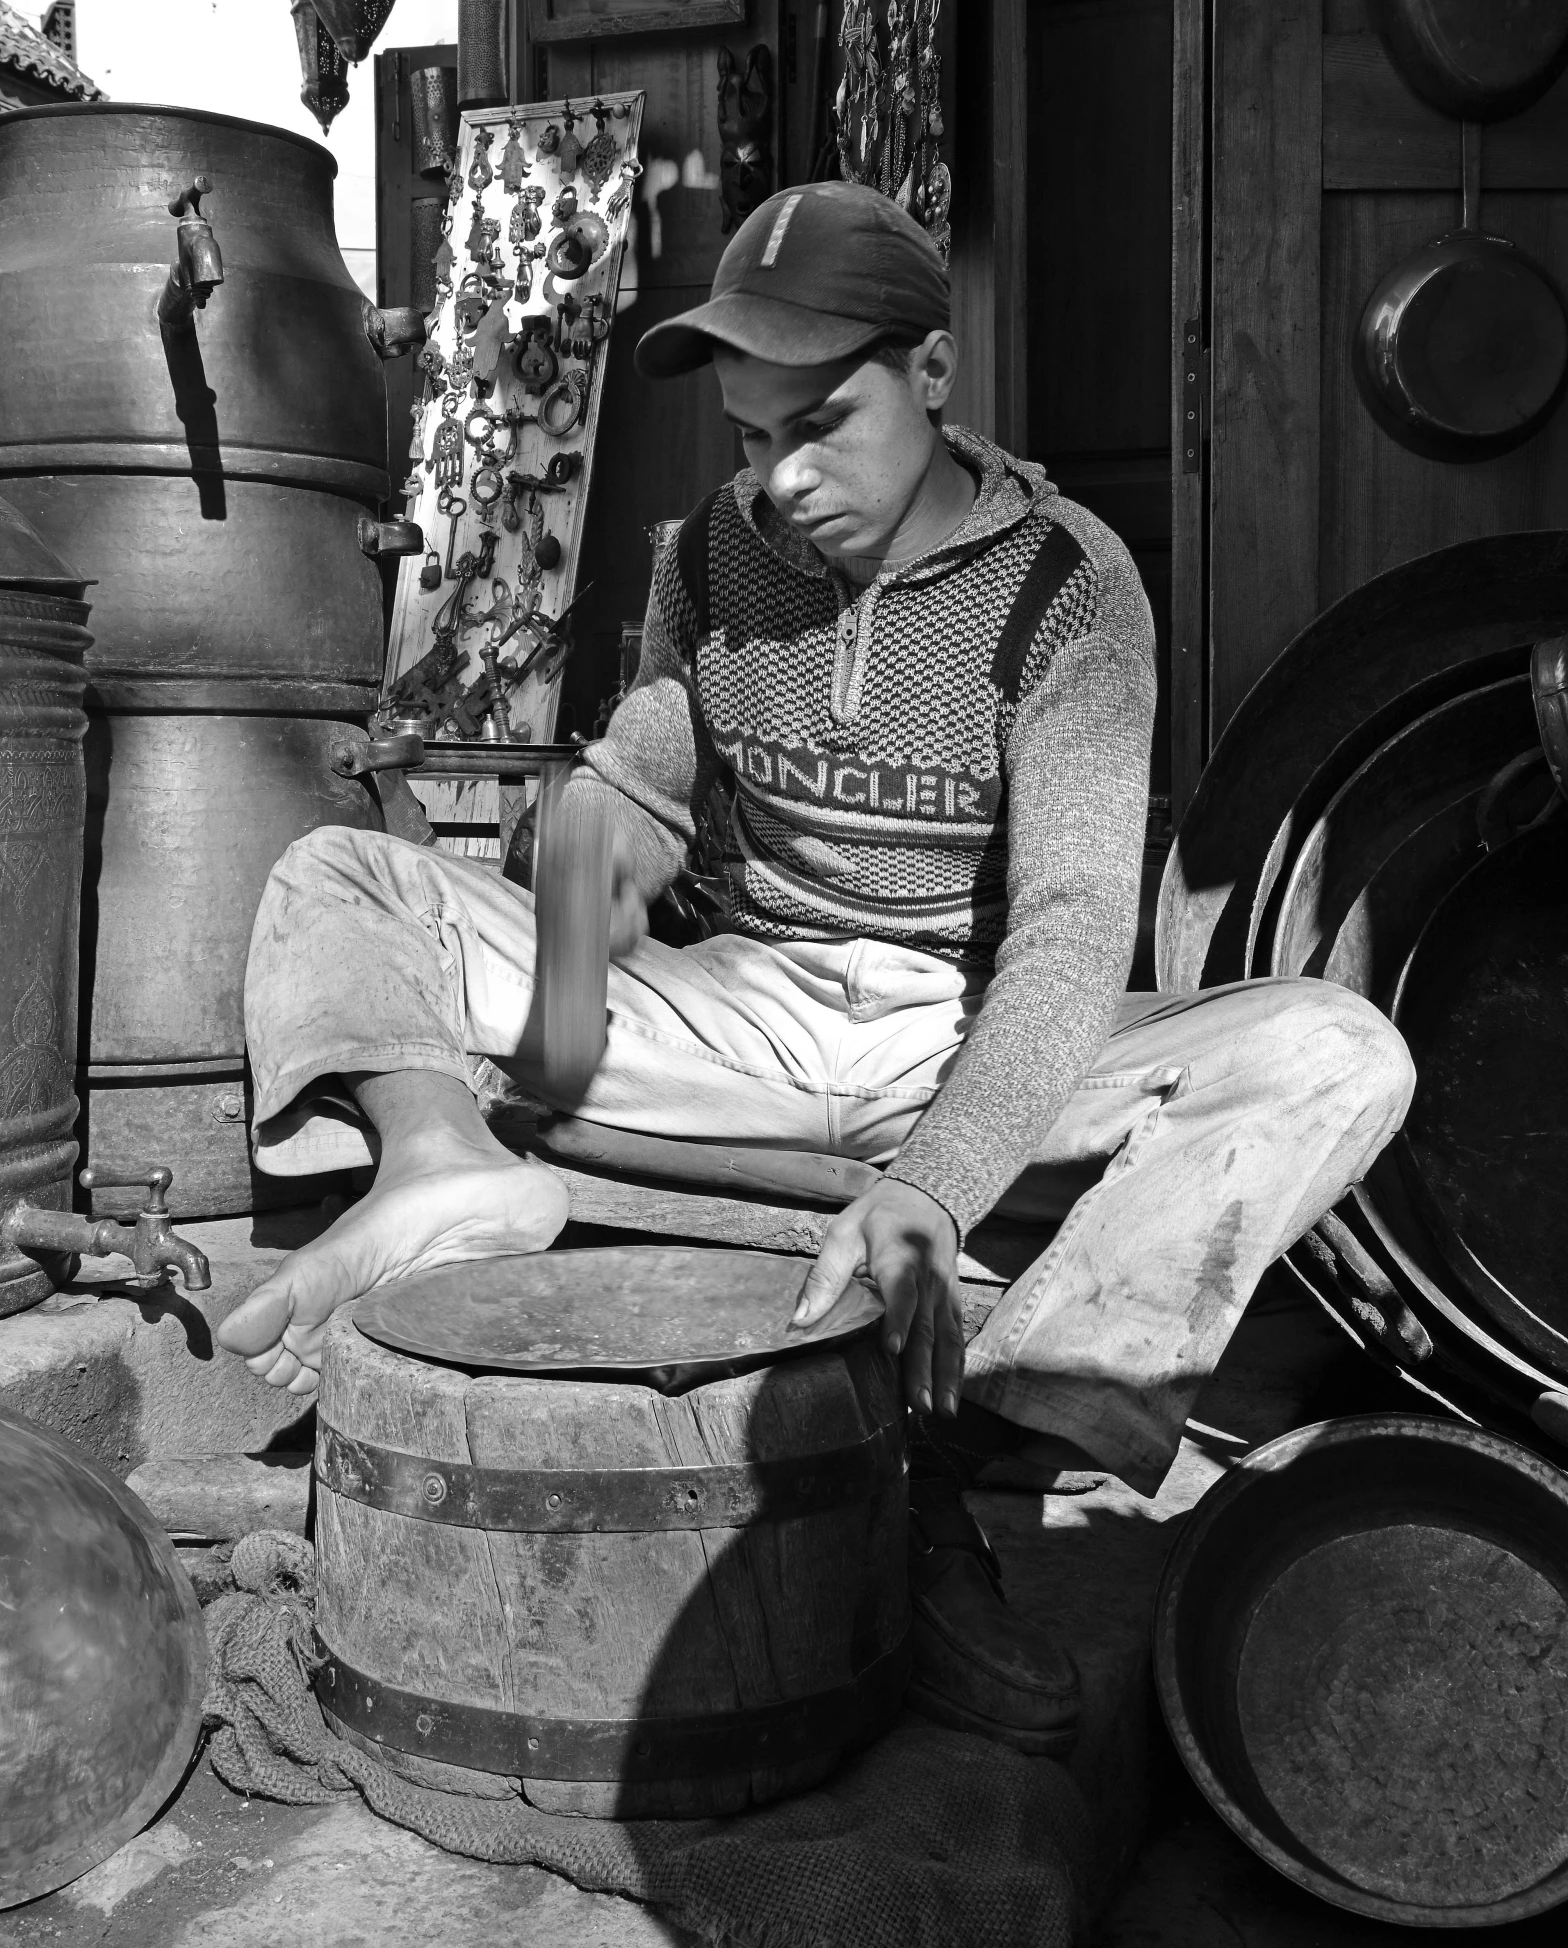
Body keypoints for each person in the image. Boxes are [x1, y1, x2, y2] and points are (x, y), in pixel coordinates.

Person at [219, 182, 1415, 1758]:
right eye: (745, 434)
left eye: (822, 423)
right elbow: (649, 767)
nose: (779, 480)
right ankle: (448, 1170)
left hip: (964, 1031)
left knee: (1338, 1053)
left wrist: (944, 1177)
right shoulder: (712, 555)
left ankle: (956, 1477)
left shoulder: (1069, 587)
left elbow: (1067, 929)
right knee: (338, 877)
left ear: (931, 374)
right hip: (749, 1011)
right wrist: (603, 837)